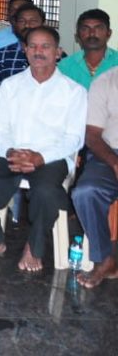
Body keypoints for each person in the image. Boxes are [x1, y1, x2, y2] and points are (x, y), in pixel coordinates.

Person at [0, 26, 86, 272]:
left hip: (52, 157)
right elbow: (0, 129)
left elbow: (74, 139)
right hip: (11, 152)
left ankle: (34, 247)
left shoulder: (74, 91)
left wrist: (40, 157)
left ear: (58, 52)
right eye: (32, 46)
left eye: (46, 46)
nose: (38, 51)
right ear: (25, 50)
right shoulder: (10, 86)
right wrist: (11, 152)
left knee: (45, 190)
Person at [74, 67, 118, 287]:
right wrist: (115, 163)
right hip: (109, 154)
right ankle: (104, 259)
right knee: (86, 192)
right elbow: (92, 136)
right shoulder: (106, 82)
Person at [0, 3, 45, 88]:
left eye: (33, 21)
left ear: (43, 24)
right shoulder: (1, 56)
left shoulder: (55, 56)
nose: (27, 25)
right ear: (15, 25)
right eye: (22, 21)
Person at [58, 9, 117, 89]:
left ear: (109, 33)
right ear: (77, 35)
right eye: (85, 29)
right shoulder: (65, 66)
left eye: (98, 28)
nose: (92, 33)